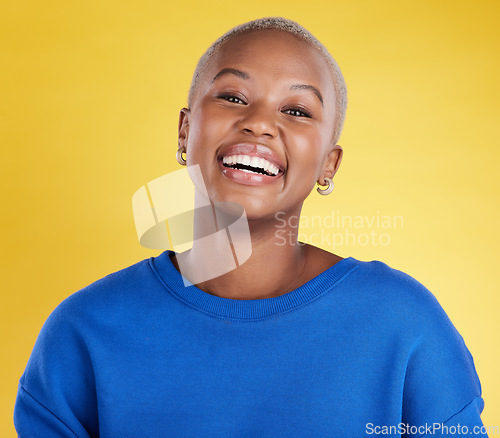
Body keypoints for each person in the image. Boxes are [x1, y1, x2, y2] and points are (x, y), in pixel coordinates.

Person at [14, 17, 487, 437]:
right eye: (233, 97)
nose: (259, 123)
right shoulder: (83, 333)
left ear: (329, 165)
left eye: (297, 110)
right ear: (184, 131)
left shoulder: (404, 326)